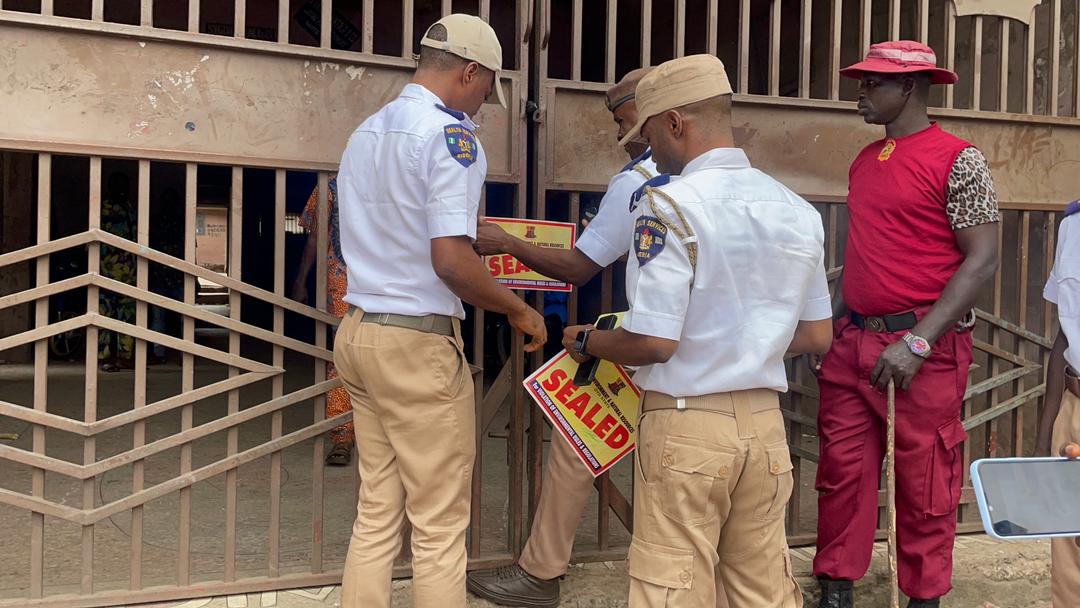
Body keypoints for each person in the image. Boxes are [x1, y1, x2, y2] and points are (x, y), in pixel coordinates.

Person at [562, 54, 833, 608]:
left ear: (676, 123)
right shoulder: (798, 210)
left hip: (687, 428)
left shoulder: (666, 205)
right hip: (764, 428)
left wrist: (589, 340)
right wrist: (745, 340)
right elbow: (816, 335)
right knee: (762, 590)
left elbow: (656, 342)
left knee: (674, 588)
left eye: (648, 134)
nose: (645, 150)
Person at [331, 14, 546, 608]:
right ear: (469, 72)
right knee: (438, 526)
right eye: (485, 89)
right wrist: (518, 310)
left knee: (377, 512)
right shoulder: (453, 139)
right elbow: (449, 261)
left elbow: (401, 229)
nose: (484, 104)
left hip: (359, 332)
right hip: (415, 344)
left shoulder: (366, 132)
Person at [811, 41, 1000, 608]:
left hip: (923, 347)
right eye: (862, 82)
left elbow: (984, 258)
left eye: (873, 85)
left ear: (911, 88)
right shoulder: (866, 161)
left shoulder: (959, 159)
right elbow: (862, 253)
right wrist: (827, 327)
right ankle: (836, 587)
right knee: (841, 471)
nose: (861, 94)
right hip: (854, 341)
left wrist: (919, 341)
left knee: (925, 485)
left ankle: (923, 597)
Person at [466, 67, 657, 608]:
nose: (625, 138)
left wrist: (505, 241)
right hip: (722, 357)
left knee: (576, 440)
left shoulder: (640, 183)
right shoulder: (760, 187)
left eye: (625, 122)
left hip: (650, 343)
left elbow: (577, 267)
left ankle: (541, 573)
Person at [291, 174, 355, 466]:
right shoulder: (330, 184)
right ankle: (342, 436)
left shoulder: (400, 176)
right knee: (344, 359)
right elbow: (316, 236)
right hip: (343, 285)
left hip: (390, 288)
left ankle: (378, 434)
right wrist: (302, 279)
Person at [1036, 198, 1080, 607]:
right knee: (1068, 547)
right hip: (1075, 404)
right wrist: (1046, 432)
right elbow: (1064, 335)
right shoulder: (1073, 225)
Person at [99, 172, 137, 372]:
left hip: (128, 272)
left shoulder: (129, 208)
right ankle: (105, 358)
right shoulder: (103, 208)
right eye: (120, 185)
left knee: (128, 315)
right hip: (106, 270)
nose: (124, 190)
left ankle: (125, 356)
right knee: (105, 316)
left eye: (126, 185)